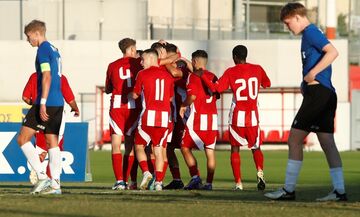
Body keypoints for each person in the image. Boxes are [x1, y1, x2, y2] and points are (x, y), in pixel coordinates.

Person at [264, 2, 347, 201]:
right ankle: (339, 191)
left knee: (293, 139)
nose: (287, 27)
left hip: (319, 94)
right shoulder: (309, 34)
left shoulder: (310, 32)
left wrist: (312, 74)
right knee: (327, 142)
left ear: (298, 17)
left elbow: (333, 52)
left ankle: (289, 190)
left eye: (288, 22)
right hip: (325, 93)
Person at [199, 45, 270, 191]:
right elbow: (267, 84)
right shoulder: (257, 69)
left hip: (237, 117)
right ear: (246, 55)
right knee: (256, 147)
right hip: (253, 117)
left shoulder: (231, 72)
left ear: (235, 57)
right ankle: (260, 172)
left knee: (235, 149)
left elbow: (216, 89)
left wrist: (203, 76)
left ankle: (238, 183)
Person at [18, 20, 64, 194]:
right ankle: (55, 185)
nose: (28, 41)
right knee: (52, 143)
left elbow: (46, 76)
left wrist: (42, 102)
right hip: (58, 102)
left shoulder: (43, 49)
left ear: (37, 34)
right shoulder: (54, 49)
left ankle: (42, 177)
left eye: (29, 37)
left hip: (47, 101)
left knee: (22, 139)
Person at [22, 72, 79, 184]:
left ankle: (39, 172)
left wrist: (34, 104)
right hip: (56, 114)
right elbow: (69, 98)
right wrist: (75, 108)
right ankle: (51, 180)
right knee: (55, 147)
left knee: (40, 148)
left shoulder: (34, 76)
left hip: (38, 114)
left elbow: (25, 97)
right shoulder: (60, 78)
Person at [129, 49, 174, 191]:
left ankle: (146, 172)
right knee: (159, 150)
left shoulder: (142, 74)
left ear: (150, 58)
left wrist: (128, 93)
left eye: (143, 59)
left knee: (138, 146)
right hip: (164, 117)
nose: (141, 63)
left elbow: (135, 95)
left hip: (148, 116)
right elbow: (170, 98)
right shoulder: (168, 76)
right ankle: (159, 182)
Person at [105, 38, 143, 190]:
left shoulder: (112, 65)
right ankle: (129, 181)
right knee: (130, 147)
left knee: (116, 145)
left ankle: (119, 181)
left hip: (117, 106)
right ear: (133, 49)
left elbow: (108, 89)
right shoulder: (139, 64)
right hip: (134, 106)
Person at [179, 50, 218, 190]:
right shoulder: (213, 76)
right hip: (212, 119)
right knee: (210, 152)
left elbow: (192, 97)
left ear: (194, 61)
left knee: (184, 147)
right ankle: (209, 184)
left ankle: (195, 177)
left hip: (197, 119)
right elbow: (217, 94)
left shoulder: (192, 77)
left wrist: (183, 105)